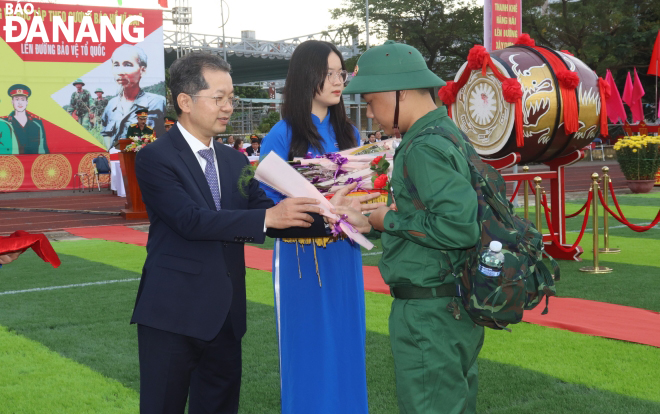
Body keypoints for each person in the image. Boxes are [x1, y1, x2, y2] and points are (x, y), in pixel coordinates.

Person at [131, 52, 328, 414]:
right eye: (219, 98)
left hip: (225, 318)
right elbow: (191, 220)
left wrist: (333, 216)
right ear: (185, 102)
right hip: (172, 316)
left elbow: (265, 214)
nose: (228, 107)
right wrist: (270, 217)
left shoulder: (235, 160)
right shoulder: (156, 157)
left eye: (231, 98)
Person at [341, 40, 485, 414]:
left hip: (429, 310)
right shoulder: (444, 132)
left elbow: (458, 226)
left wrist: (385, 218)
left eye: (371, 101)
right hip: (451, 301)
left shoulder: (423, 145)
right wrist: (373, 222)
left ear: (399, 91)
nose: (370, 113)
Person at [259, 39, 374, 414]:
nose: (338, 81)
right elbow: (270, 203)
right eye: (329, 74)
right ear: (306, 77)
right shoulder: (280, 135)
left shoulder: (351, 135)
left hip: (344, 254)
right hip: (300, 261)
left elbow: (365, 196)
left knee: (346, 340)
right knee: (306, 346)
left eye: (340, 73)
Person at [101, 44, 166, 149]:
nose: (120, 72)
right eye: (116, 65)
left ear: (142, 70)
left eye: (127, 64)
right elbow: (106, 133)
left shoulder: (158, 103)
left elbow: (165, 135)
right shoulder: (111, 105)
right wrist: (111, 153)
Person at [2, 85, 49, 154]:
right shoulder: (4, 123)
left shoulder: (37, 123)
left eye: (23, 99)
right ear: (12, 102)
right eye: (17, 99)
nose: (20, 103)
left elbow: (43, 149)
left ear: (27, 102)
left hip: (33, 162)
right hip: (12, 162)